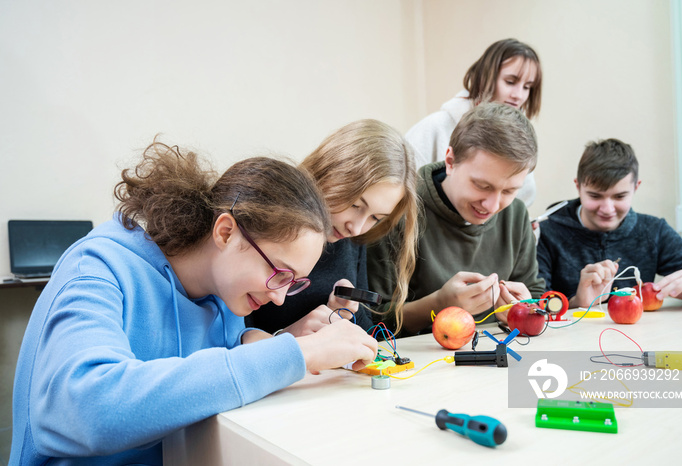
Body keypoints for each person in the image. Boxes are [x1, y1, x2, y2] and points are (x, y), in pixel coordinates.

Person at [11, 141, 378, 465]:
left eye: (293, 282)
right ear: (225, 232)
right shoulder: (98, 268)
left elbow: (205, 368)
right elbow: (89, 409)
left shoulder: (221, 294)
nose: (280, 296)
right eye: (278, 273)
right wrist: (296, 354)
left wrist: (267, 338)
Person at [368, 102, 546, 336]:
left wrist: (524, 306)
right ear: (450, 162)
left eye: (509, 191)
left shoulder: (516, 214)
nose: (493, 206)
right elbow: (371, 320)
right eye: (482, 185)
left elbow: (534, 292)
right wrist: (438, 304)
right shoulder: (397, 210)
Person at [247, 119, 419, 335]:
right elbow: (228, 340)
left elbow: (369, 334)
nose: (356, 228)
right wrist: (289, 336)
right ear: (331, 171)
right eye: (355, 204)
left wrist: (342, 315)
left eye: (376, 217)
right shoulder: (266, 215)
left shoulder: (348, 238)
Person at [537, 138, 682, 308]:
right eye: (595, 196)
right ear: (578, 187)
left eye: (619, 196)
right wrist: (576, 302)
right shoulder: (546, 233)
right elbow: (534, 302)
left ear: (636, 187)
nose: (607, 209)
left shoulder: (654, 230)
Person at [405, 38, 542, 207]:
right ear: (485, 77)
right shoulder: (435, 127)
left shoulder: (521, 141)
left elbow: (523, 200)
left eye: (527, 87)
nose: (519, 95)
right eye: (510, 82)